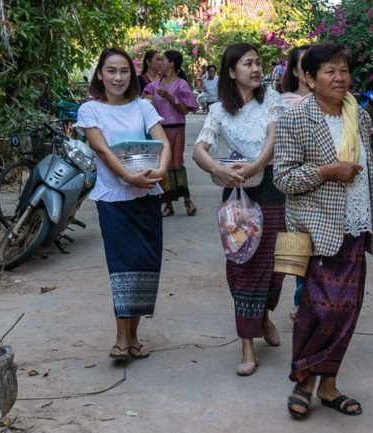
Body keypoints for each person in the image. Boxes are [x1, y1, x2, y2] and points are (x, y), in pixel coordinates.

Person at [273, 42, 373, 419]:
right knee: (318, 309)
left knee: (347, 310)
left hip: (356, 228)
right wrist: (327, 171)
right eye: (329, 71)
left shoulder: (356, 116)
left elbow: (366, 164)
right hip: (317, 232)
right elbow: (283, 177)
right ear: (309, 78)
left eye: (343, 70)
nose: (339, 77)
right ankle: (303, 380)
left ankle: (328, 387)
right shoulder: (295, 119)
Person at [193, 42, 286, 377]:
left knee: (275, 266)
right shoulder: (218, 110)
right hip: (237, 194)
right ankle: (247, 343)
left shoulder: (272, 99)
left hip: (272, 187)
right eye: (248, 64)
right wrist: (218, 170)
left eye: (258, 63)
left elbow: (273, 140)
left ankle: (262, 316)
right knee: (242, 263)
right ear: (231, 72)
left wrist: (255, 165)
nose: (257, 69)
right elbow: (199, 150)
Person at [74, 47, 172, 361]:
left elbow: (164, 143)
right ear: (100, 74)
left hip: (147, 197)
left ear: (131, 74)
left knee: (146, 266)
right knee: (122, 268)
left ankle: (133, 338)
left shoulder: (143, 106)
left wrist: (161, 171)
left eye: (124, 71)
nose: (118, 77)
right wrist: (128, 178)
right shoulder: (90, 110)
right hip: (113, 200)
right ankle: (120, 338)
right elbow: (101, 150)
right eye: (111, 71)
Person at [144, 50, 199, 217]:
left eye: (163, 60)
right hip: (160, 129)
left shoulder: (181, 84)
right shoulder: (156, 84)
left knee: (177, 163)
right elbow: (145, 96)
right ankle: (168, 203)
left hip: (176, 127)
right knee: (164, 166)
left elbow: (184, 110)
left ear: (172, 64)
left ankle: (187, 199)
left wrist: (169, 97)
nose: (160, 63)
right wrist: (148, 98)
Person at [279, 45, 311, 321]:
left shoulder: (338, 103)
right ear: (296, 71)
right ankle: (301, 301)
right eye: (305, 64)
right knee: (299, 246)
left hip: (328, 187)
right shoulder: (284, 102)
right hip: (294, 185)